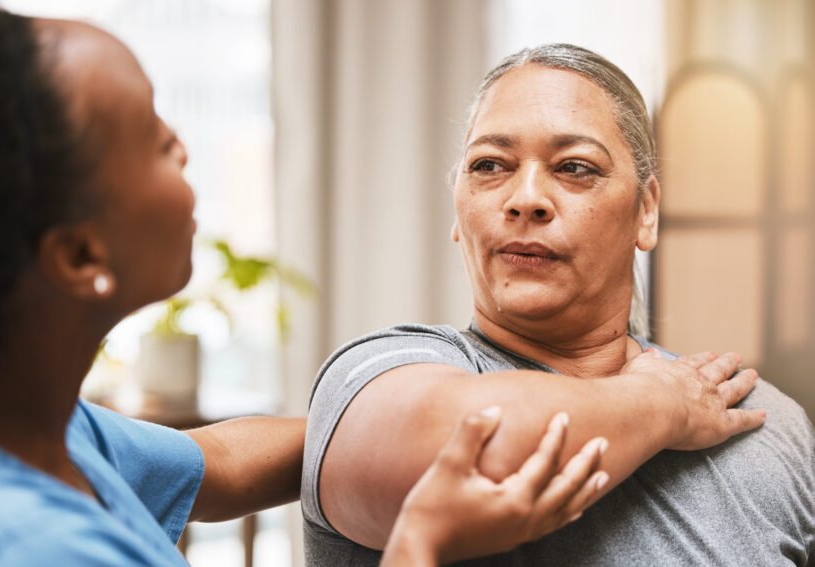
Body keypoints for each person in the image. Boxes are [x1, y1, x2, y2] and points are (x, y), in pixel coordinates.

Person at [0, 4, 619, 565]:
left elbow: (217, 459)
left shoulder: (54, 431)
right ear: (81, 256)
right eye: (152, 138)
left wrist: (376, 418)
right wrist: (422, 539)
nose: (183, 145)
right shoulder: (33, 544)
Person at [302, 43, 815, 566]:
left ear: (646, 211)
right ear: (457, 208)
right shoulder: (373, 375)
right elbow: (474, 457)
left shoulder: (765, 424)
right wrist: (662, 401)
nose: (526, 198)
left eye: (574, 167)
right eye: (489, 165)